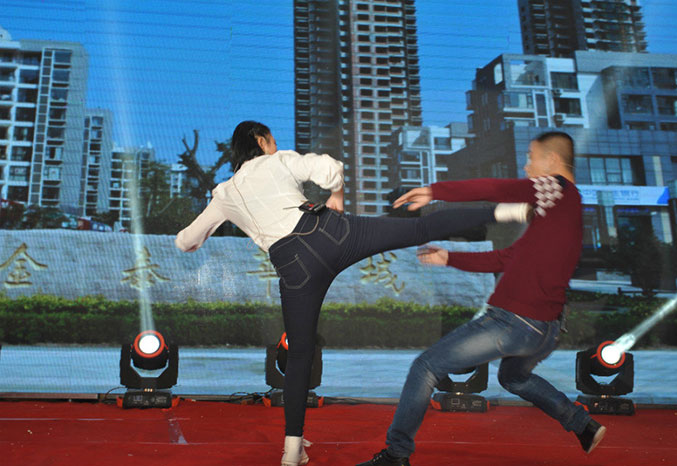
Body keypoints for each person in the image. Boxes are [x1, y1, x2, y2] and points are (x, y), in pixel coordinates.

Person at [174, 120, 531, 466]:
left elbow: (186, 241)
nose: (276, 145)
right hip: (329, 233)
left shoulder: (224, 194)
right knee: (421, 229)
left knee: (299, 354)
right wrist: (336, 197)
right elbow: (332, 168)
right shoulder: (277, 161)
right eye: (272, 140)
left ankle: (292, 450)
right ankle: (509, 210)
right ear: (260, 140)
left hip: (294, 267)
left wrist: (208, 231)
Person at [357, 131, 606, 466]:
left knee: (425, 366)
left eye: (531, 158)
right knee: (514, 378)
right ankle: (581, 424)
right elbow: (505, 258)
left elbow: (497, 189)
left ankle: (396, 455)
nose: (526, 166)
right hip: (544, 330)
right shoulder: (561, 212)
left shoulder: (558, 188)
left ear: (551, 160)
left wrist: (435, 191)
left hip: (514, 322)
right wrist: (450, 258)